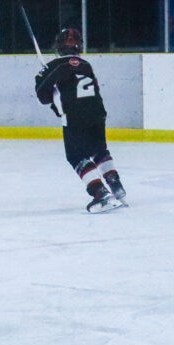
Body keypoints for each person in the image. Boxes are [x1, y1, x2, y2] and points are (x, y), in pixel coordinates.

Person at [34, 28, 126, 213]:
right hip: (97, 113)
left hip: (75, 115)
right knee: (99, 150)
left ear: (58, 45)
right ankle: (114, 182)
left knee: (76, 156)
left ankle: (99, 191)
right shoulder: (86, 64)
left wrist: (46, 78)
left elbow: (43, 97)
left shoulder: (53, 66)